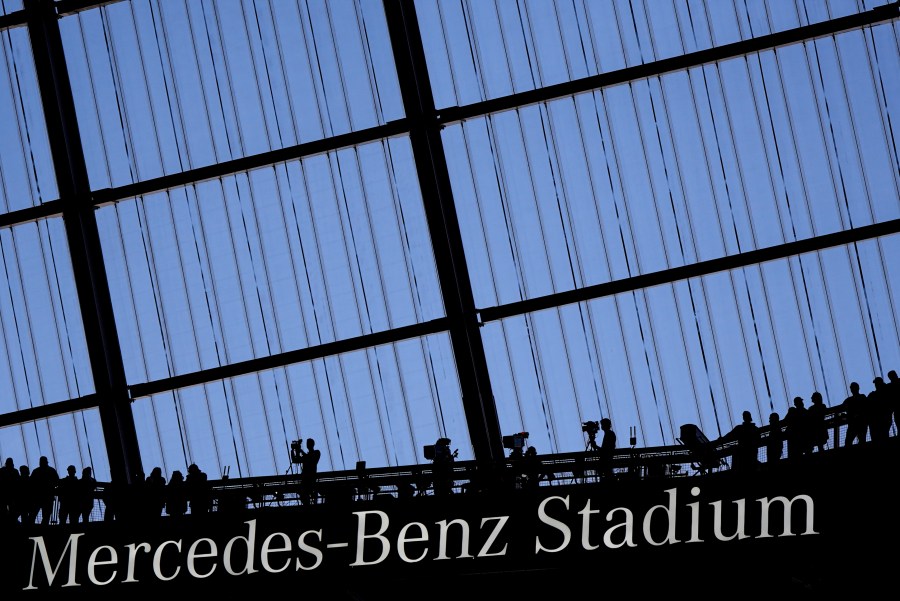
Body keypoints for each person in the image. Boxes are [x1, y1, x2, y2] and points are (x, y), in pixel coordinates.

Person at [30, 456, 59, 525]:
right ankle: (44, 528)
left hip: (37, 496)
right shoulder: (52, 470)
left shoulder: (36, 471)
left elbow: (31, 483)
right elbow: (57, 482)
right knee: (46, 516)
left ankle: (30, 527)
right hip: (48, 496)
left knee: (33, 514)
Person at [842, 381, 868, 446]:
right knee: (862, 440)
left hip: (854, 423)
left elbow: (841, 407)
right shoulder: (862, 397)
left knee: (848, 442)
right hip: (861, 422)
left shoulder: (848, 400)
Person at [296, 438, 321, 505]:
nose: (308, 445)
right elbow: (297, 460)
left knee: (306, 493)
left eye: (309, 443)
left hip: (310, 478)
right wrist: (296, 451)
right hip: (306, 479)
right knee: (304, 495)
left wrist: (300, 451)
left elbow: (310, 459)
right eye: (308, 443)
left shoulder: (316, 452)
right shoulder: (307, 455)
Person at [868, 377, 892, 442]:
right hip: (884, 418)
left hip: (879, 419)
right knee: (883, 435)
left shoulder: (873, 394)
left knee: (878, 436)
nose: (875, 385)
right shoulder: (887, 391)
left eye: (876, 383)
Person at [0, 457, 20, 525]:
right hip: (12, 494)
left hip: (3, 494)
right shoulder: (15, 471)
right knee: (12, 508)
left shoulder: (2, 471)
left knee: (4, 508)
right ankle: (12, 521)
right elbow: (17, 482)